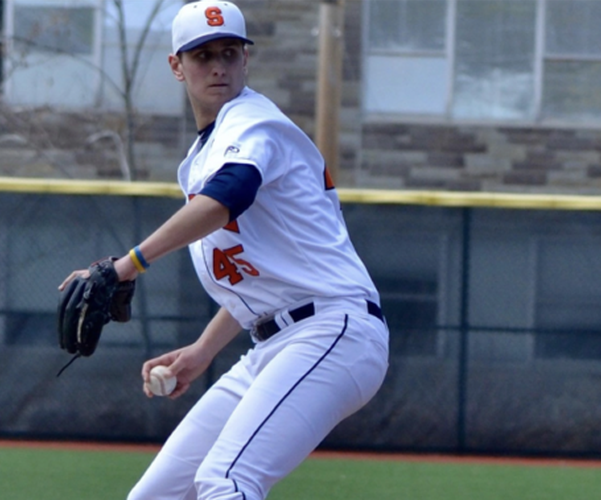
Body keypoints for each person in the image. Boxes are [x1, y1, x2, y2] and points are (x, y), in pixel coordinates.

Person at [60, 1, 389, 498]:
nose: (218, 65)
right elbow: (258, 279)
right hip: (277, 342)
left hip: (333, 332)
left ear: (245, 61)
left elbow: (228, 197)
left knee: (227, 479)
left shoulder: (251, 121)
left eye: (230, 52)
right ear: (176, 66)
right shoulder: (201, 158)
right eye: (202, 55)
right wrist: (201, 352)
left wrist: (127, 266)